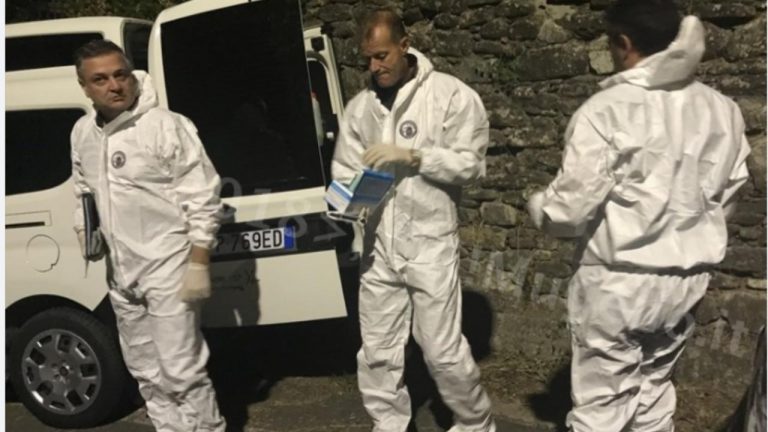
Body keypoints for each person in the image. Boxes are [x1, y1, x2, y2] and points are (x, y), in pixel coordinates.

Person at [526, 1, 751, 431]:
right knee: (654, 391)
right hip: (687, 279)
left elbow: (569, 210)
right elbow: (728, 195)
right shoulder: (722, 110)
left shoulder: (607, 109)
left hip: (620, 279)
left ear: (624, 42)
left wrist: (540, 208)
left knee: (602, 406)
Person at [332, 8, 496, 432]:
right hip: (378, 248)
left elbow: (471, 165)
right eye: (368, 58)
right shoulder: (360, 110)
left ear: (405, 46)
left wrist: (416, 156)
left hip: (430, 243)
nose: (375, 67)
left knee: (442, 351)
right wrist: (346, 200)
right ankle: (388, 424)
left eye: (382, 56)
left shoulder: (449, 96)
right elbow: (343, 175)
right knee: (377, 351)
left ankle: (476, 423)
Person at [71, 40, 226, 432]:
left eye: (120, 74)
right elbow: (83, 190)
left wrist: (198, 261)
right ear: (84, 86)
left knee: (181, 372)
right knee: (147, 372)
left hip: (169, 267)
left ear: (131, 74)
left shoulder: (165, 125)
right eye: (100, 79)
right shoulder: (83, 134)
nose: (114, 86)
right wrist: (85, 229)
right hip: (122, 274)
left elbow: (203, 197)